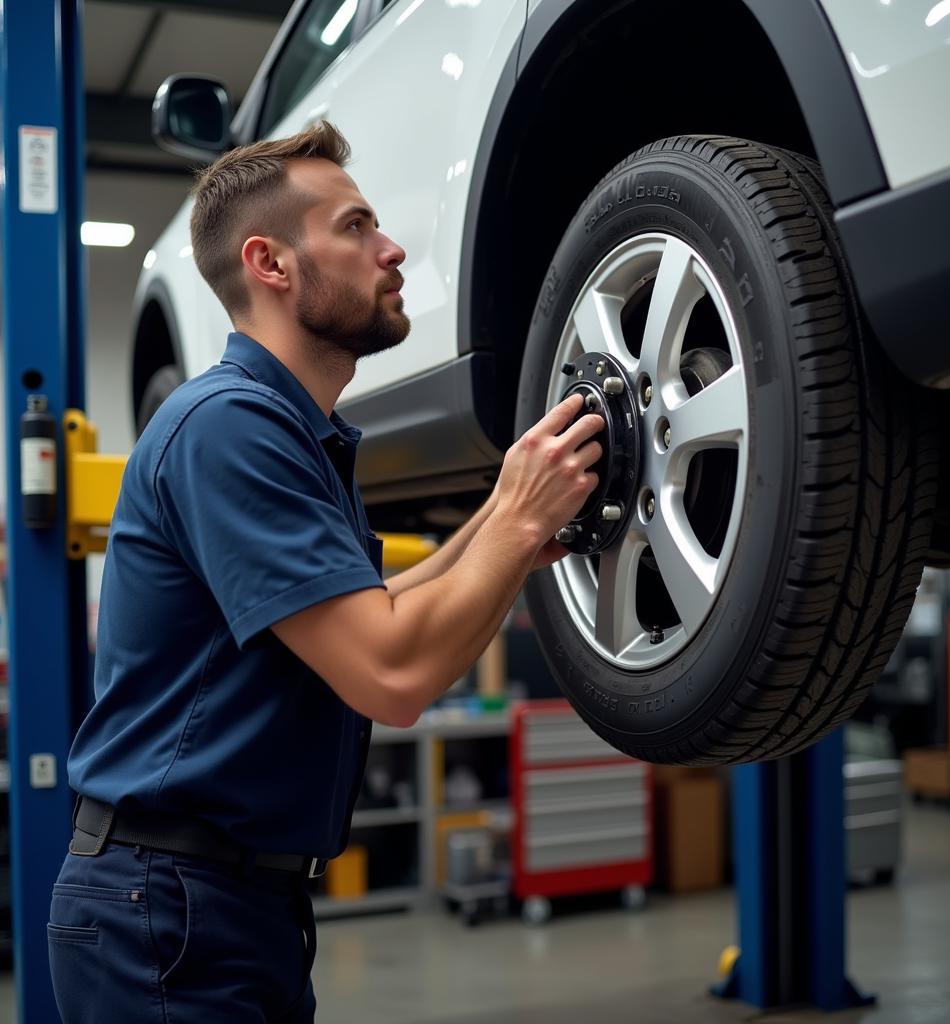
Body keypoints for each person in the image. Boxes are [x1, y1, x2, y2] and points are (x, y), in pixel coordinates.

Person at [46, 121, 604, 1023]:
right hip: (166, 907)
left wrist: (511, 523)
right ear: (270, 263)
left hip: (227, 905)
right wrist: (515, 518)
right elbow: (390, 671)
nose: (390, 250)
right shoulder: (227, 428)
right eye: (355, 226)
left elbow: (373, 611)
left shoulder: (294, 435)